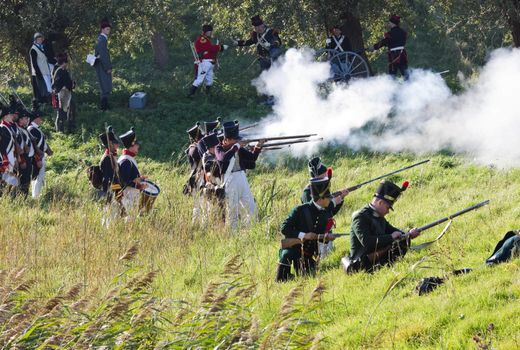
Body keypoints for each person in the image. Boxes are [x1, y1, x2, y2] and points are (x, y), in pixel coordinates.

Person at [342, 180, 420, 273]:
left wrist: (408, 234)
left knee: (402, 241)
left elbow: (394, 231)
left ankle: (387, 268)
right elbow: (367, 242)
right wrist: (391, 237)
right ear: (380, 203)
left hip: (376, 258)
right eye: (388, 207)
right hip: (362, 262)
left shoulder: (379, 217)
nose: (388, 211)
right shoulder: (360, 217)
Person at [276, 177, 343, 282]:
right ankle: (284, 278)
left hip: (308, 255)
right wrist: (303, 235)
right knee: (286, 256)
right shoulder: (300, 210)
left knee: (309, 277)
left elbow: (318, 238)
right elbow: (284, 228)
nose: (330, 200)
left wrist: (326, 238)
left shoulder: (325, 213)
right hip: (293, 248)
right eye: (328, 197)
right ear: (321, 199)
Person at [215, 121, 264, 229]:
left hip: (242, 178)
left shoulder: (237, 148)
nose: (237, 141)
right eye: (235, 139)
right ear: (227, 139)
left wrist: (258, 146)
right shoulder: (219, 148)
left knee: (252, 209)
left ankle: (249, 230)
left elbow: (252, 158)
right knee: (233, 212)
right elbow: (223, 158)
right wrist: (236, 146)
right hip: (230, 180)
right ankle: (233, 236)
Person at [302, 157, 348, 258]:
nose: (326, 175)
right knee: (319, 261)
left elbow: (330, 213)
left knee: (328, 258)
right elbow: (315, 212)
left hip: (327, 231)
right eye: (324, 175)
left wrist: (341, 198)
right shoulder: (307, 193)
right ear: (317, 176)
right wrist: (334, 202)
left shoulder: (323, 189)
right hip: (315, 233)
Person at [188, 24, 229, 97]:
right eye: (210, 31)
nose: (211, 33)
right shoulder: (202, 39)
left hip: (209, 63)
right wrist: (220, 47)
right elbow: (210, 48)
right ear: (206, 32)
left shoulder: (206, 39)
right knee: (199, 80)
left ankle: (208, 95)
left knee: (209, 80)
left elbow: (210, 50)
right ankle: (190, 94)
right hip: (205, 62)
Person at [118, 127, 147, 217]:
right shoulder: (126, 160)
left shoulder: (129, 158)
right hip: (128, 198)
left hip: (131, 197)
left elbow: (130, 177)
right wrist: (139, 186)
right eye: (136, 144)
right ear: (132, 145)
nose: (138, 146)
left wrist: (140, 178)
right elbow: (125, 181)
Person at [200, 132, 225, 223]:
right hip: (213, 186)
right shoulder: (208, 157)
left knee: (221, 210)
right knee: (215, 210)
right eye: (217, 146)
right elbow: (209, 174)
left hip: (218, 186)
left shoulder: (212, 155)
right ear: (211, 148)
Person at [28, 109, 53, 198]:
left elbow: (41, 143)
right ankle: (35, 197)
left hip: (40, 156)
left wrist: (47, 150)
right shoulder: (32, 129)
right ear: (36, 119)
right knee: (37, 178)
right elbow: (33, 147)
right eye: (40, 118)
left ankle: (36, 196)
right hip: (36, 158)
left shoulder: (35, 129)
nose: (41, 120)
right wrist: (38, 159)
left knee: (40, 178)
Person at [52, 53, 75, 132]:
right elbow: (57, 83)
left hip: (67, 93)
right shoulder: (58, 71)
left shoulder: (64, 70)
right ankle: (59, 130)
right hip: (61, 94)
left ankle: (69, 128)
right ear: (63, 63)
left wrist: (72, 84)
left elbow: (68, 81)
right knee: (61, 113)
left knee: (69, 111)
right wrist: (65, 87)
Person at [29, 32, 53, 106]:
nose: (40, 40)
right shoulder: (33, 49)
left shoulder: (42, 47)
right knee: (45, 88)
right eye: (38, 39)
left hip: (46, 70)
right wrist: (38, 72)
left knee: (49, 86)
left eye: (41, 39)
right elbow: (34, 63)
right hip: (40, 71)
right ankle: (46, 103)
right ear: (35, 40)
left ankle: (50, 102)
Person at [15, 108, 34, 196]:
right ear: (21, 119)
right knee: (23, 180)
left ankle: (24, 197)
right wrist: (22, 160)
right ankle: (21, 197)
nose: (27, 120)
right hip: (23, 158)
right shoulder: (18, 130)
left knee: (27, 180)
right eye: (26, 118)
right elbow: (18, 147)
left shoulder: (24, 129)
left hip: (28, 157)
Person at [95, 19, 113, 110]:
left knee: (104, 84)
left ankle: (105, 105)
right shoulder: (102, 40)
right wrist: (108, 67)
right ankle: (104, 106)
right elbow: (104, 55)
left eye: (109, 29)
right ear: (102, 29)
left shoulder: (101, 39)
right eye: (107, 29)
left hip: (100, 64)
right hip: (102, 65)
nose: (108, 31)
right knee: (105, 85)